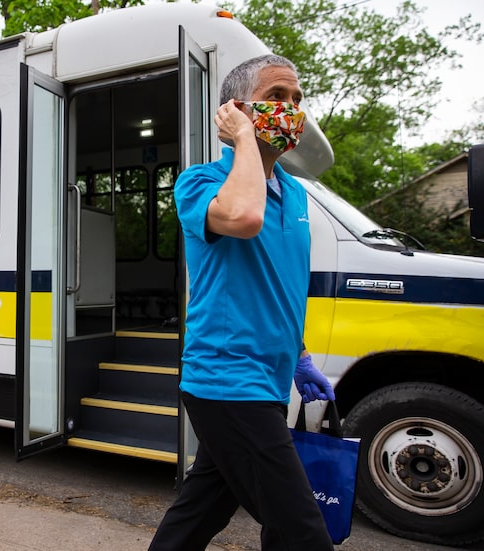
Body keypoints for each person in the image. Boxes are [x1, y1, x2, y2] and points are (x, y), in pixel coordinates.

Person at [148, 54, 336, 551]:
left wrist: (298, 356)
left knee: (198, 513)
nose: (291, 110)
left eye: (296, 100)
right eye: (276, 97)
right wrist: (245, 139)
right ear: (236, 110)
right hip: (227, 381)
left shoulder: (294, 194)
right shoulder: (200, 182)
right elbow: (244, 217)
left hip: (270, 383)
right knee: (301, 534)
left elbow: (281, 283)